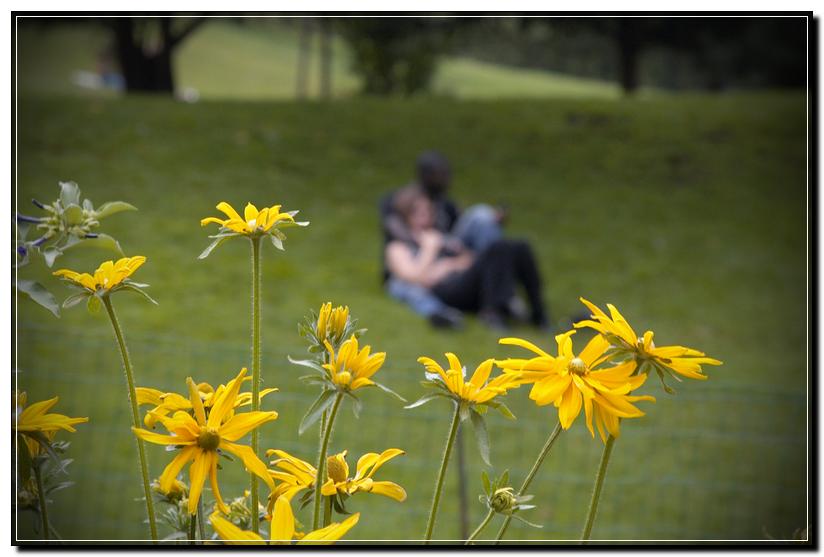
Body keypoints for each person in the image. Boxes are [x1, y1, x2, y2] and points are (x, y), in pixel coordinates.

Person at [385, 188, 548, 331]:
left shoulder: (441, 237)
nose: (425, 218)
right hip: (447, 292)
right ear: (405, 216)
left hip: (466, 281)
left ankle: (539, 314)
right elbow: (416, 279)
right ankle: (493, 312)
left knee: (519, 246)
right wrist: (431, 249)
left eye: (428, 212)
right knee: (497, 248)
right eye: (418, 213)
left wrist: (450, 263)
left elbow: (468, 258)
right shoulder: (398, 247)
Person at [379, 151, 507, 328]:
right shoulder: (397, 229)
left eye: (428, 213)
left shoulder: (446, 205)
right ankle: (440, 314)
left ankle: (498, 289)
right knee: (405, 287)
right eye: (439, 174)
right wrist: (428, 245)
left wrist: (448, 262)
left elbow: (461, 250)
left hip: (438, 261)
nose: (445, 179)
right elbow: (414, 275)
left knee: (482, 216)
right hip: (412, 266)